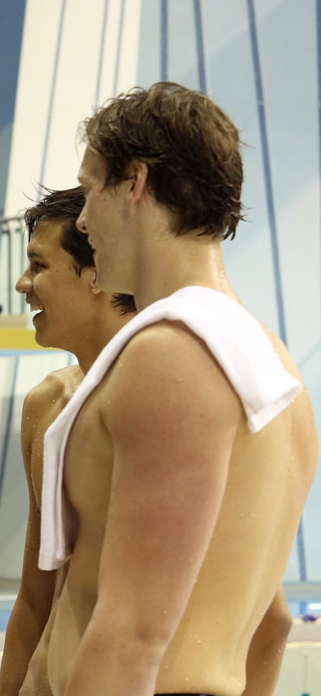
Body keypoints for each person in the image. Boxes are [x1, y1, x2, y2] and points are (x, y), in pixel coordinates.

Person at [33, 82, 317, 696]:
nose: (81, 220)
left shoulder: (173, 357)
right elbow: (274, 626)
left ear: (135, 183)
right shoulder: (272, 364)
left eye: (88, 191)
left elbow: (132, 638)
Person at [0, 186, 135, 696]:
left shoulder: (165, 405)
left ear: (97, 277)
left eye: (38, 265)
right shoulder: (47, 403)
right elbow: (36, 598)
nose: (22, 284)